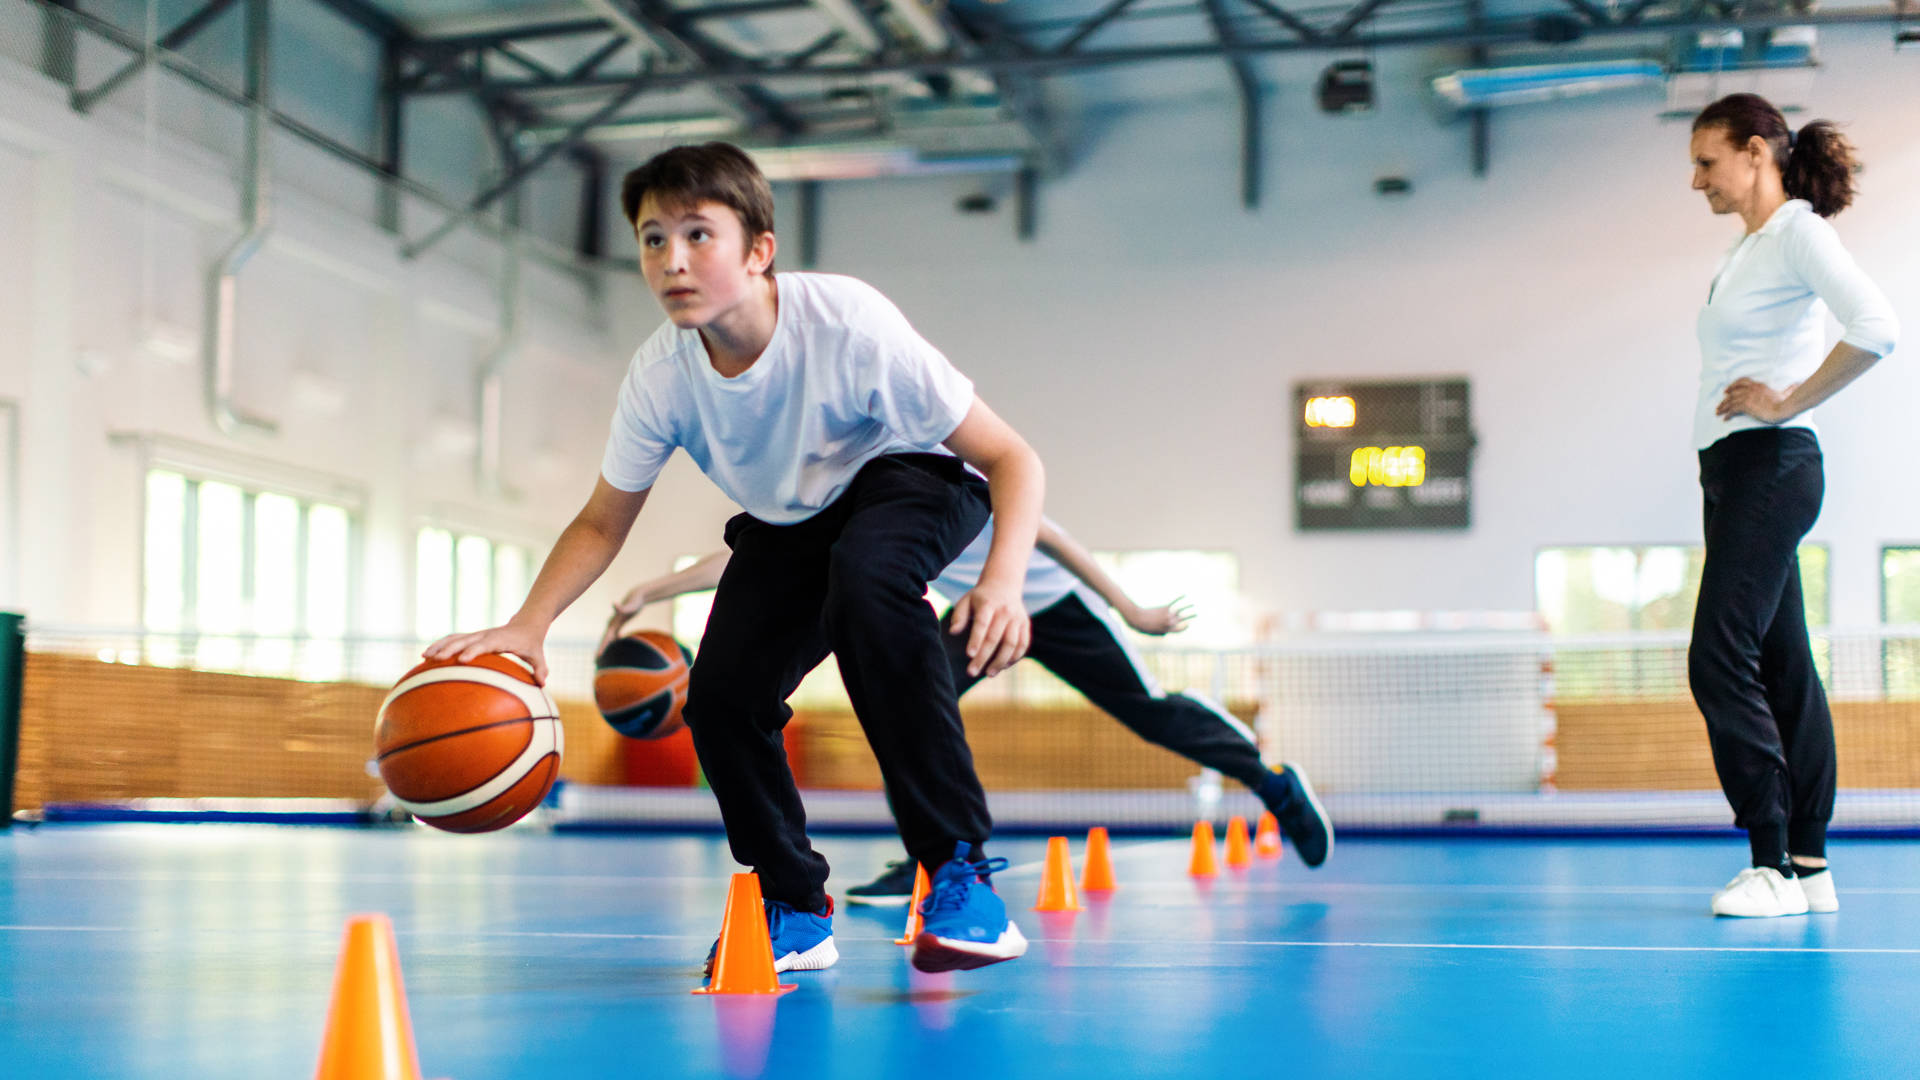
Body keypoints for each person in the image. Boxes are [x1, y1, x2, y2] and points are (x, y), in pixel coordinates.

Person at [427, 142, 1046, 974]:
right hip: (791, 518)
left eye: (697, 235)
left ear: (760, 250)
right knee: (720, 700)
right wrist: (527, 627)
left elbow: (1013, 458)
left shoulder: (848, 323)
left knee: (868, 588)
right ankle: (793, 903)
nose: (672, 261)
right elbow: (602, 521)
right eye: (653, 240)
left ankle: (959, 869)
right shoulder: (662, 378)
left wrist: (1004, 584)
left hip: (914, 474)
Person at [602, 516, 1335, 906]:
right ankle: (938, 859)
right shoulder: (849, 494)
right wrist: (656, 591)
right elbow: (758, 560)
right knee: (906, 705)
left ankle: (1273, 784)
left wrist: (1131, 606)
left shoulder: (943, 462)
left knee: (1147, 713)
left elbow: (1048, 531)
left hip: (1048, 604)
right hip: (979, 613)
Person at [1684, 94, 1897, 917]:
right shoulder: (1748, 250)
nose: (1696, 180)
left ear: (1756, 153)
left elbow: (1876, 327)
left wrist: (1788, 401)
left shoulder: (1798, 231)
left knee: (1717, 655)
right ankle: (1809, 866)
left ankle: (1768, 861)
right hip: (1734, 474)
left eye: (1707, 161)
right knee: (1784, 668)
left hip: (1771, 465)